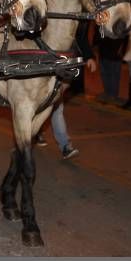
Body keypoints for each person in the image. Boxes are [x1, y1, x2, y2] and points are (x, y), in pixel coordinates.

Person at [36, 24, 97, 160]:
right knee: (42, 104)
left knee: (57, 106)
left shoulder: (78, 16)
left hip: (66, 64)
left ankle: (65, 146)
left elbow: (81, 38)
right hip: (46, 61)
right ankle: (36, 131)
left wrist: (89, 57)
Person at [95, 34, 125, 103]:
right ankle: (107, 93)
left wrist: (121, 47)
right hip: (103, 49)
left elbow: (124, 34)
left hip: (115, 49)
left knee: (114, 74)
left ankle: (113, 95)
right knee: (104, 73)